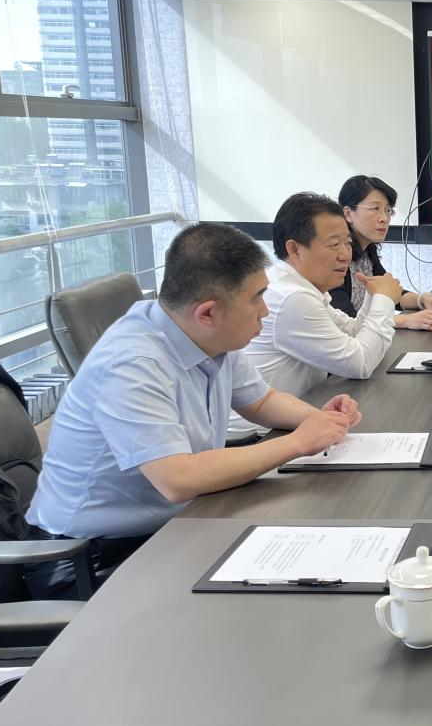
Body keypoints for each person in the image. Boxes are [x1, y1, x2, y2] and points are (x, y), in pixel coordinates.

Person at [27, 222, 362, 565]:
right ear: (208, 312)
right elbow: (178, 479)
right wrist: (298, 443)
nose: (265, 310)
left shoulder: (207, 335)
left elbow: (261, 402)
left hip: (180, 519)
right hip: (91, 555)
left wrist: (323, 421)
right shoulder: (131, 363)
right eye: (257, 298)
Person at [229, 193, 404, 438]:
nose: (345, 254)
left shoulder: (299, 286)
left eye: (347, 243)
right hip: (260, 436)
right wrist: (384, 300)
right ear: (294, 249)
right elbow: (360, 364)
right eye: (333, 245)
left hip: (294, 416)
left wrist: (373, 296)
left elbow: (353, 332)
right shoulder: (291, 297)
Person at [330, 175, 432, 328]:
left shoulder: (367, 251)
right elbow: (346, 319)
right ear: (348, 213)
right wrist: (406, 320)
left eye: (388, 210)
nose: (384, 218)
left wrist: (423, 299)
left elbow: (392, 294)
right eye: (375, 208)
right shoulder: (335, 258)